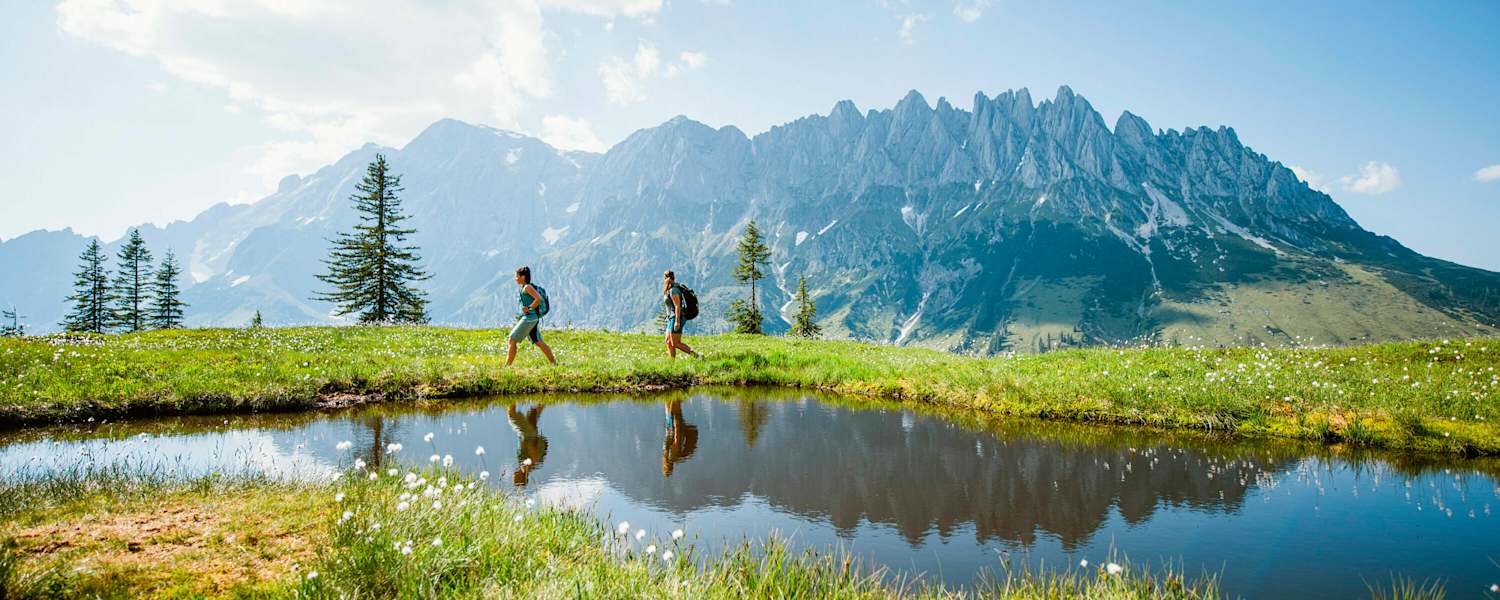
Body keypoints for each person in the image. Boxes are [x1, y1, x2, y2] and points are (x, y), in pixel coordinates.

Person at [507, 266, 557, 367]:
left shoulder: (527, 287)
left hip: (529, 319)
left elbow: (538, 298)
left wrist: (529, 308)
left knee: (512, 339)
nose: (515, 278)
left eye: (516, 276)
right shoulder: (524, 287)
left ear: (523, 277)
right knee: (538, 341)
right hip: (532, 318)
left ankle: (507, 367)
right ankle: (554, 364)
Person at [507, 403, 548, 487]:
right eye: (515, 478)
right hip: (528, 435)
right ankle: (513, 398)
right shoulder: (527, 466)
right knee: (512, 415)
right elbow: (534, 456)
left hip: (529, 435)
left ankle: (545, 398)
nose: (513, 476)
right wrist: (526, 444)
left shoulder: (524, 466)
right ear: (520, 477)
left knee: (532, 413)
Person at [662, 270, 698, 359]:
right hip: (671, 318)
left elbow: (677, 306)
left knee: (676, 343)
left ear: (666, 278)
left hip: (676, 318)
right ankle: (672, 364)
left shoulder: (673, 290)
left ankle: (698, 356)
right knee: (668, 341)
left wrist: (677, 322)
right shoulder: (671, 289)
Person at [661, 399, 699, 477]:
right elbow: (677, 438)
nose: (663, 465)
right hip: (673, 424)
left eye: (664, 467)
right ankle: (675, 395)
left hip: (672, 424)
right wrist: (672, 415)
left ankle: (675, 395)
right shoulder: (672, 456)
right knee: (672, 403)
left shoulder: (670, 456)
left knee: (671, 402)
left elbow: (675, 438)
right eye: (665, 467)